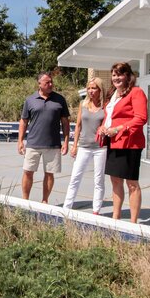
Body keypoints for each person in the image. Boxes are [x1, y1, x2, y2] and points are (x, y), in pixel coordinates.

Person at [98, 62, 147, 224]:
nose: (116, 78)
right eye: (114, 75)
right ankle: (116, 218)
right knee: (115, 181)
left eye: (119, 74)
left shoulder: (136, 92)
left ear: (127, 76)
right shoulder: (113, 95)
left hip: (130, 143)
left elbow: (141, 118)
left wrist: (118, 129)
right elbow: (109, 117)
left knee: (132, 184)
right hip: (114, 143)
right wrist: (103, 127)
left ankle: (133, 223)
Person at [18, 72, 70, 204]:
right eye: (47, 82)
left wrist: (66, 141)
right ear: (39, 84)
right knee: (28, 172)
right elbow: (24, 121)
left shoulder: (60, 99)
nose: (50, 84)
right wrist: (20, 141)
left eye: (51, 82)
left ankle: (45, 201)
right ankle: (25, 200)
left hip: (53, 144)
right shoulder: (30, 100)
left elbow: (65, 122)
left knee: (49, 173)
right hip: (33, 143)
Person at [62, 77, 107, 214]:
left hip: (100, 148)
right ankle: (66, 208)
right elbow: (78, 126)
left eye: (94, 88)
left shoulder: (106, 106)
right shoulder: (83, 104)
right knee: (75, 177)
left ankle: (96, 211)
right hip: (84, 146)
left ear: (100, 90)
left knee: (99, 180)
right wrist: (74, 145)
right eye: (89, 88)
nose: (91, 91)